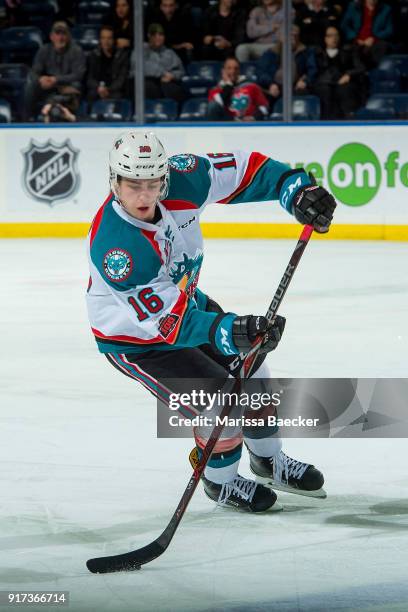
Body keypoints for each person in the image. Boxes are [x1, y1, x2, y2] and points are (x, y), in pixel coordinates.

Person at [86, 130, 337, 512]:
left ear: (164, 178)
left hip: (188, 304)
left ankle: (268, 460)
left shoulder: (185, 177)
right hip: (138, 341)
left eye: (153, 183)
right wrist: (233, 331)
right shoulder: (118, 248)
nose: (143, 195)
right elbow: (170, 325)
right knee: (218, 403)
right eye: (132, 184)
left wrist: (294, 189)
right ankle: (220, 483)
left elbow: (245, 171)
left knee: (255, 369)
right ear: (114, 181)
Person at [23, 20, 86, 121]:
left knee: (76, 85)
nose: (60, 38)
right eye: (57, 34)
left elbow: (78, 74)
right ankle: (26, 120)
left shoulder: (77, 51)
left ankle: (52, 107)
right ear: (52, 36)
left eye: (64, 34)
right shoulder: (44, 50)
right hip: (49, 87)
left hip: (67, 86)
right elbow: (34, 72)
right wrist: (41, 79)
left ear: (68, 36)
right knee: (30, 84)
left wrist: (56, 80)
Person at [257, 25, 317, 109]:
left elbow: (312, 70)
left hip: (296, 86)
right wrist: (270, 84)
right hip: (275, 85)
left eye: (295, 35)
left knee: (303, 94)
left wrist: (305, 81)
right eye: (289, 35)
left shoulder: (306, 52)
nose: (292, 38)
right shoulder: (271, 52)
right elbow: (261, 72)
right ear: (281, 37)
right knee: (262, 93)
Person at [313, 26, 365, 119]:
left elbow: (360, 67)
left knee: (346, 90)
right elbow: (312, 70)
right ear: (325, 38)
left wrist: (349, 74)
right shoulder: (317, 53)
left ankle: (349, 121)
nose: (334, 38)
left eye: (336, 35)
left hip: (344, 83)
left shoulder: (349, 51)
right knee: (325, 92)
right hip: (324, 84)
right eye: (330, 35)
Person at [341, 0, 393, 69]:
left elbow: (389, 30)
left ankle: (375, 73)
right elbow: (344, 25)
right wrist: (356, 38)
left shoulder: (386, 9)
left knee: (382, 47)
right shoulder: (354, 6)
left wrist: (374, 38)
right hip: (357, 40)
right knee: (348, 50)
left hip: (376, 41)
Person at [142, 23, 186, 103]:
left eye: (161, 35)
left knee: (177, 91)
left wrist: (172, 76)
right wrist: (163, 73)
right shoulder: (142, 50)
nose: (158, 38)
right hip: (148, 82)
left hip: (166, 83)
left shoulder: (169, 52)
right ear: (149, 36)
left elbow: (181, 71)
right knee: (149, 87)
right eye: (154, 35)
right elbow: (141, 67)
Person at [86, 26, 129, 103]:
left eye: (109, 38)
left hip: (115, 90)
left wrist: (108, 89)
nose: (106, 41)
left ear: (114, 40)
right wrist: (99, 88)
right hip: (97, 89)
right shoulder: (93, 55)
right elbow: (89, 79)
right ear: (100, 40)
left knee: (119, 96)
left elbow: (121, 79)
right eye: (103, 38)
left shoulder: (122, 55)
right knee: (90, 95)